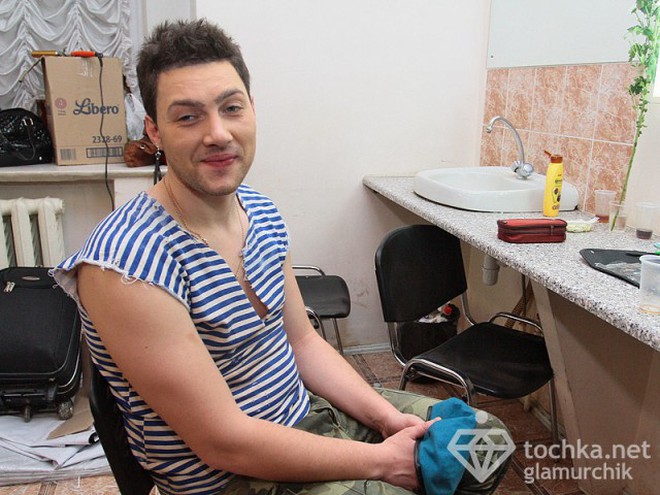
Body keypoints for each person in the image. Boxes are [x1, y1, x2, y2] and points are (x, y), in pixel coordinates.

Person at [54, 19, 510, 495]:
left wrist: (387, 420)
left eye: (231, 108)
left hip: (305, 416)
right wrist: (383, 462)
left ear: (252, 109)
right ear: (155, 131)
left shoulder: (259, 211)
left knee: (484, 445)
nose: (217, 133)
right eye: (187, 117)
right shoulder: (125, 263)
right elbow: (223, 442)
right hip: (233, 476)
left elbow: (303, 343)